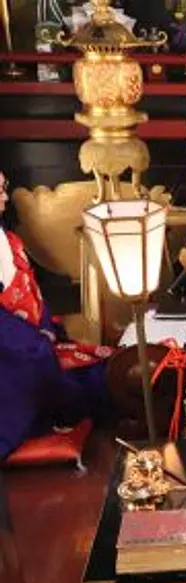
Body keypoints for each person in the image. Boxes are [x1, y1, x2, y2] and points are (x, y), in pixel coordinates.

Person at [0, 171, 110, 460]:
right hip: (12, 353)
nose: (4, 197)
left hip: (33, 336)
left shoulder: (7, 237)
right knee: (58, 375)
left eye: (4, 188)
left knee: (102, 371)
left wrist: (46, 327)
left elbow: (31, 292)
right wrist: (36, 341)